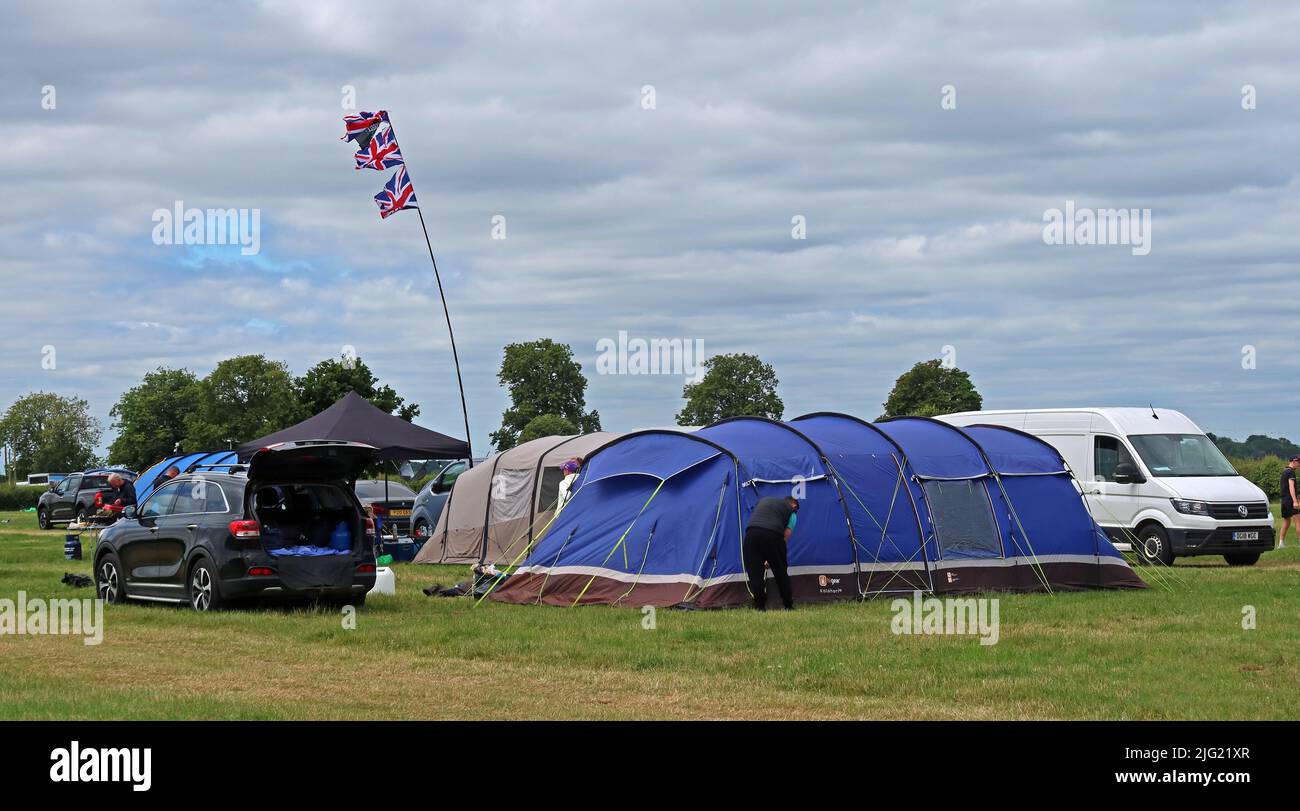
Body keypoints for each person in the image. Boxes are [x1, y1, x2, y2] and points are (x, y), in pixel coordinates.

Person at [742, 495, 799, 611]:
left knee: (755, 573)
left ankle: (760, 607)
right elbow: (785, 536)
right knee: (781, 572)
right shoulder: (792, 512)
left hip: (751, 534)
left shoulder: (764, 501)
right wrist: (772, 557)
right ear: (793, 505)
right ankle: (788, 605)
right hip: (773, 535)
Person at [1280, 457, 1299, 548]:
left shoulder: (1285, 471)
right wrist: (1295, 501)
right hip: (1290, 500)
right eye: (1299, 462)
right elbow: (1291, 487)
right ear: (1294, 461)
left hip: (1284, 500)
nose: (1299, 465)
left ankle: (1281, 543)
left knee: (1286, 522)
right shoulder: (1291, 472)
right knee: (1298, 521)